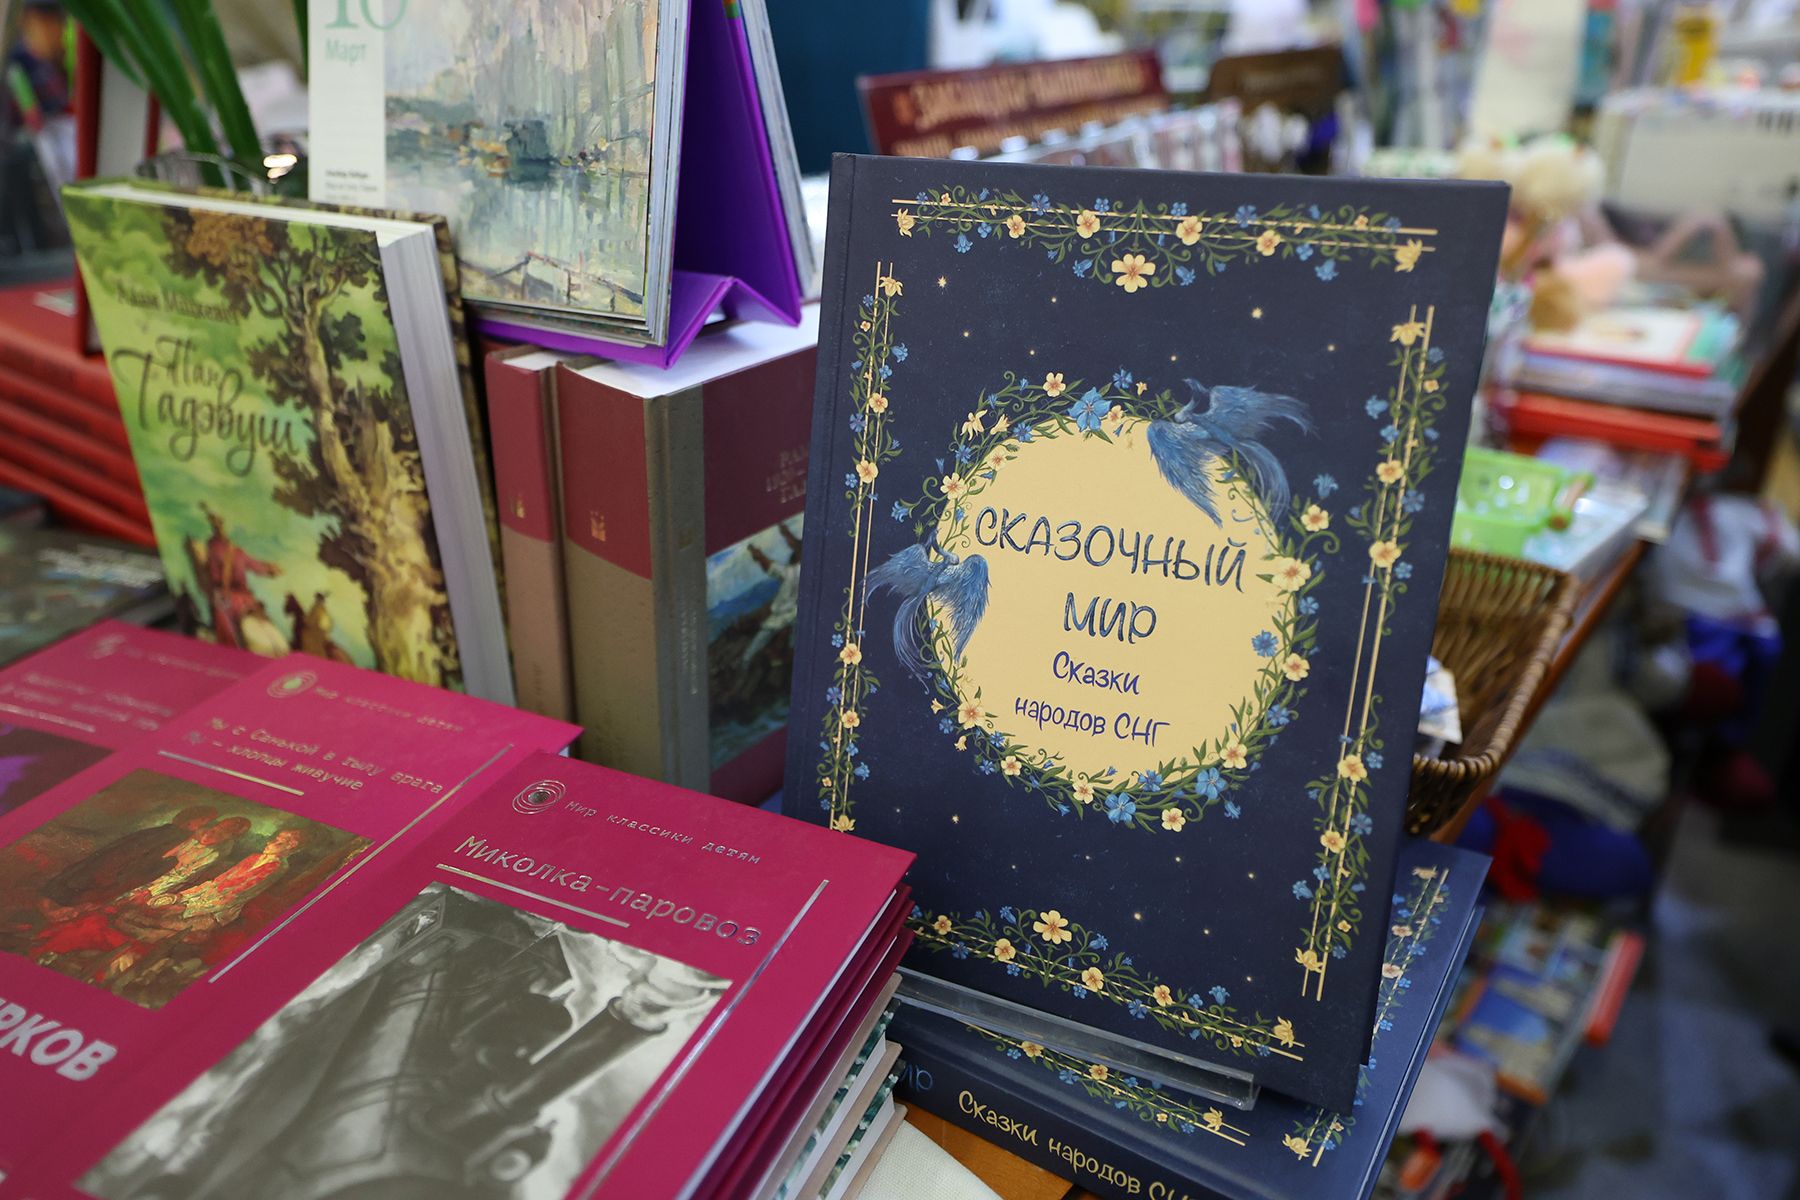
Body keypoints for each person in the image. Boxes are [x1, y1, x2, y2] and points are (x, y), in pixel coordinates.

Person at [198, 505, 281, 649]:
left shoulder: (215, 549)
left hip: (226, 602)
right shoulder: (237, 551)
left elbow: (212, 576)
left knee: (227, 641)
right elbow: (258, 566)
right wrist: (270, 570)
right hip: (246, 600)